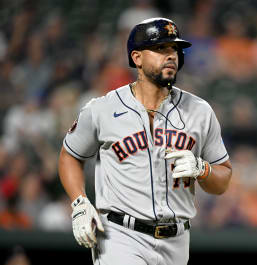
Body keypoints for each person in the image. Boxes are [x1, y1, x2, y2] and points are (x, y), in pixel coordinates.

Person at [58, 17, 232, 265]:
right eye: (161, 48)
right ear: (137, 58)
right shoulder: (103, 109)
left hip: (177, 240)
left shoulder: (200, 111)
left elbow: (223, 179)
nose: (171, 55)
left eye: (174, 49)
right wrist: (80, 203)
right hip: (119, 235)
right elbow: (70, 155)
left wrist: (202, 169)